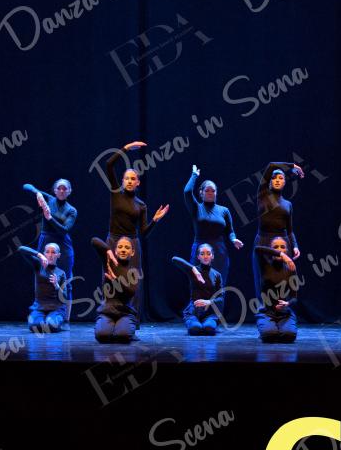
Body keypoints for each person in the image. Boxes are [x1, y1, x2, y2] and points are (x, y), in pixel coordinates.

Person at [103, 142, 169, 314]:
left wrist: (155, 220)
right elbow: (109, 164)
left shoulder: (141, 205)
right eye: (127, 178)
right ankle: (109, 313)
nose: (130, 181)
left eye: (133, 179)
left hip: (132, 243)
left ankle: (133, 317)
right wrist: (127, 147)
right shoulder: (116, 194)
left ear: (138, 182)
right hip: (113, 240)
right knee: (109, 276)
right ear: (122, 181)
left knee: (133, 280)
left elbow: (144, 232)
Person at [252, 162, 304, 301]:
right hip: (263, 242)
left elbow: (290, 229)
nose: (277, 180)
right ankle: (264, 311)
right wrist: (292, 165)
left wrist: (295, 245)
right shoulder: (262, 195)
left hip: (283, 243)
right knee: (263, 280)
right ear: (269, 182)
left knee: (283, 278)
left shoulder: (288, 204)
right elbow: (271, 165)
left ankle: (284, 308)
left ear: (285, 182)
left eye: (281, 178)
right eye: (274, 178)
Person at [183, 165, 242, 285]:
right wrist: (194, 175)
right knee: (199, 285)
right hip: (200, 250)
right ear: (201, 193)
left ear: (216, 193)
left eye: (213, 191)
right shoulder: (196, 208)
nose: (210, 193)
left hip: (219, 252)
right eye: (207, 190)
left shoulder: (224, 210)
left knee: (218, 286)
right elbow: (187, 192)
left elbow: (230, 230)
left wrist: (233, 239)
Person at [22, 179, 76, 308]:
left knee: (66, 281)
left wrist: (49, 218)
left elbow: (64, 230)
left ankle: (66, 316)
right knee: (41, 275)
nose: (62, 191)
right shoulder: (48, 199)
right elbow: (26, 186)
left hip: (63, 244)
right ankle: (42, 310)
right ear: (55, 190)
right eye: (59, 188)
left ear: (69, 191)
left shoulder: (72, 210)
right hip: (46, 241)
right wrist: (38, 193)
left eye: (65, 189)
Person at [92, 236, 142, 343]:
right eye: (120, 247)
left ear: (132, 252)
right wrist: (108, 250)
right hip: (107, 312)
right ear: (115, 250)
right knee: (102, 335)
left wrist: (115, 280)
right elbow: (94, 241)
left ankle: (124, 327)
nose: (123, 250)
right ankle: (110, 326)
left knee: (123, 336)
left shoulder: (133, 272)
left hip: (124, 312)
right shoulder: (109, 263)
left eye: (127, 247)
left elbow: (131, 292)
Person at [171, 244, 224, 336]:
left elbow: (221, 298)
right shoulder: (193, 271)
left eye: (208, 253)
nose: (205, 256)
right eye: (202, 254)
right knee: (195, 329)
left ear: (212, 256)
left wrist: (209, 302)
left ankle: (207, 323)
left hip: (210, 312)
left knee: (208, 328)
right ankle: (194, 323)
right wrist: (194, 269)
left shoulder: (217, 275)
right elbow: (174, 259)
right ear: (198, 257)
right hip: (194, 311)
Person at [253, 237, 299, 343]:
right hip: (266, 312)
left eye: (282, 247)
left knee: (289, 336)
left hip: (284, 313)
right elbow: (257, 249)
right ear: (271, 249)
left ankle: (281, 326)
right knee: (269, 335)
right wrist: (281, 254)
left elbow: (294, 297)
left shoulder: (290, 268)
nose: (279, 249)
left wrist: (287, 303)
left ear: (287, 250)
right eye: (275, 247)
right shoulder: (265, 265)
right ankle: (267, 326)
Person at [17, 243, 68, 333]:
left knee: (51, 325)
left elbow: (64, 297)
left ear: (58, 255)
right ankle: (45, 320)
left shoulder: (61, 273)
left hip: (56, 308)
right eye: (47, 252)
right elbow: (21, 249)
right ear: (44, 253)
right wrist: (39, 255)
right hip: (39, 308)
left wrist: (56, 285)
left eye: (53, 252)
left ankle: (55, 321)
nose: (50, 255)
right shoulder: (38, 265)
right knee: (35, 326)